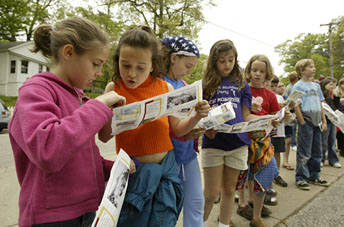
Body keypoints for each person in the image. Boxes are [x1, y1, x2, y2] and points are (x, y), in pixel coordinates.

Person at [8, 17, 129, 227]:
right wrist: (98, 106)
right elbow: (48, 150)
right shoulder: (35, 91)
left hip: (86, 211)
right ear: (69, 53)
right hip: (51, 218)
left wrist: (114, 169)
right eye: (95, 64)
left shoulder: (77, 96)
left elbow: (79, 154)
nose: (99, 73)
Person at [99, 26, 210, 227]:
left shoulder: (164, 88)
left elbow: (177, 129)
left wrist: (196, 116)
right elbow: (104, 136)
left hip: (166, 168)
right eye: (125, 65)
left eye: (140, 67)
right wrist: (114, 115)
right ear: (118, 62)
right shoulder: (113, 88)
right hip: (134, 172)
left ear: (152, 65)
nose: (131, 74)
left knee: (164, 221)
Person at [201, 40, 263, 227]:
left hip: (238, 143)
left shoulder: (242, 84)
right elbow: (199, 115)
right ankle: (199, 223)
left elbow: (245, 115)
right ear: (214, 61)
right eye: (222, 61)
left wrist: (267, 119)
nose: (227, 64)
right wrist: (206, 126)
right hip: (214, 143)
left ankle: (224, 224)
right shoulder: (206, 84)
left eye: (230, 60)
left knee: (229, 190)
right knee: (211, 193)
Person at [160, 36, 205, 227]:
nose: (189, 71)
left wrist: (201, 124)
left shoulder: (187, 87)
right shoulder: (160, 83)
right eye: (187, 65)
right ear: (173, 58)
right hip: (168, 155)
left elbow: (187, 119)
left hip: (188, 153)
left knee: (196, 201)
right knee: (168, 205)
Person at [237, 54, 282, 227]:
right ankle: (242, 204)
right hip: (243, 139)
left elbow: (276, 116)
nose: (257, 74)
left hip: (264, 142)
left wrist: (278, 118)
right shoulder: (242, 90)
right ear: (248, 71)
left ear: (267, 73)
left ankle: (256, 215)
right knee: (242, 174)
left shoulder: (270, 95)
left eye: (261, 71)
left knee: (264, 175)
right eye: (254, 70)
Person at [292, 59, 329, 191]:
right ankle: (301, 177)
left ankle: (315, 175)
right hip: (306, 121)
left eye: (313, 67)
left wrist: (324, 120)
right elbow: (295, 104)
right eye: (311, 67)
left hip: (317, 121)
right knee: (304, 151)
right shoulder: (298, 86)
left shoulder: (317, 86)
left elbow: (320, 103)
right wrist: (301, 121)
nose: (313, 69)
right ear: (302, 70)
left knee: (317, 150)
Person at [269, 76, 288, 187]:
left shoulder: (280, 98)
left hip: (279, 131)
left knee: (277, 153)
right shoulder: (266, 96)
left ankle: (276, 175)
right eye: (272, 86)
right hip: (268, 131)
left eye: (275, 86)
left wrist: (287, 115)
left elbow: (284, 114)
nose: (274, 88)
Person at [319, 77, 341, 167]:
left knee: (332, 141)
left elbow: (335, 107)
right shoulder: (322, 96)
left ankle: (333, 160)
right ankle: (321, 159)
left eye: (334, 84)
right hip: (325, 120)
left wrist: (337, 97)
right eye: (331, 84)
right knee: (324, 141)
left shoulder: (332, 95)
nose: (333, 86)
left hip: (332, 121)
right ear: (324, 85)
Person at [278, 80, 295, 171]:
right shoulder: (274, 97)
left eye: (283, 85)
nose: (282, 87)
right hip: (279, 123)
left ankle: (285, 160)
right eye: (279, 86)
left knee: (288, 141)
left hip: (287, 122)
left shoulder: (286, 97)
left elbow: (291, 111)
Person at [284, 71, 299, 151]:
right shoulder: (292, 87)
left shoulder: (289, 86)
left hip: (292, 108)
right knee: (292, 128)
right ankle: (293, 144)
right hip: (291, 109)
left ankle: (293, 143)